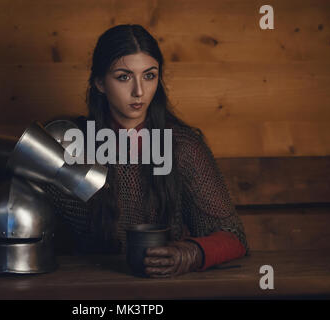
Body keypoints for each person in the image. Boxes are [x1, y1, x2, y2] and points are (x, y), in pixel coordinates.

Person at [43, 24, 249, 278]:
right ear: (99, 82)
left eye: (149, 76)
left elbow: (233, 235)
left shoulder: (182, 146)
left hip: (164, 286)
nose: (139, 91)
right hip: (85, 284)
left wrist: (190, 254)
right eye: (124, 77)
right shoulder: (68, 143)